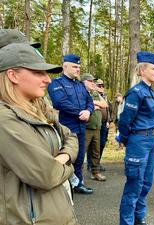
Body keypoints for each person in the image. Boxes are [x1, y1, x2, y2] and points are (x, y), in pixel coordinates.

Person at [0, 43, 79, 225]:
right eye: (38, 72)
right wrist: (67, 162)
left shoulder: (34, 107)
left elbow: (70, 136)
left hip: (54, 211)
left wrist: (62, 156)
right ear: (12, 75)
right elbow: (46, 175)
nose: (48, 79)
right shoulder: (5, 118)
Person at [118, 51, 154, 225]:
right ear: (142, 70)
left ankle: (139, 217)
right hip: (138, 141)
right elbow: (125, 120)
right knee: (134, 185)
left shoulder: (151, 92)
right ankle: (126, 222)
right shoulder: (136, 92)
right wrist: (126, 140)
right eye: (153, 68)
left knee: (146, 184)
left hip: (152, 142)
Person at [48, 54, 94, 194]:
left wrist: (88, 111)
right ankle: (62, 184)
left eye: (79, 67)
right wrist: (80, 112)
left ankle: (77, 184)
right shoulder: (57, 83)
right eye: (75, 66)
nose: (78, 69)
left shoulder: (80, 85)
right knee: (66, 156)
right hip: (67, 127)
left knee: (80, 157)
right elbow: (59, 102)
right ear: (65, 66)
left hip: (81, 127)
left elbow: (89, 101)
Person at [81, 73, 106, 182]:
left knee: (96, 151)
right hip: (86, 127)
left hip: (97, 127)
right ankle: (77, 175)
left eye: (93, 81)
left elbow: (105, 104)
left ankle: (95, 172)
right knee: (81, 152)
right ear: (83, 82)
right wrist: (94, 106)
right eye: (90, 81)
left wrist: (93, 104)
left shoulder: (95, 93)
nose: (93, 83)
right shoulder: (80, 92)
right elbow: (81, 106)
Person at [95, 78, 112, 172]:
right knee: (95, 146)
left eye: (102, 86)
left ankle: (98, 163)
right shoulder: (93, 95)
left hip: (105, 124)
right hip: (96, 124)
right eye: (99, 85)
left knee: (102, 144)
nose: (101, 87)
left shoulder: (104, 96)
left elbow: (108, 110)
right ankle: (92, 164)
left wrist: (108, 121)